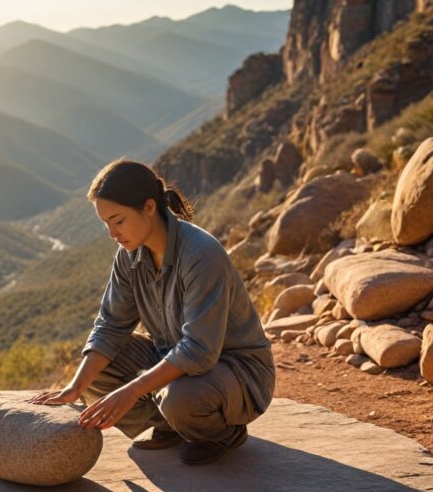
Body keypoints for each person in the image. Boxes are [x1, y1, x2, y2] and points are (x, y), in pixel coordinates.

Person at [29, 158, 275, 465]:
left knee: (180, 398)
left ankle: (222, 433)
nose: (112, 233)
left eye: (118, 221)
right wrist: (74, 387)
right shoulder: (129, 255)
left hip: (236, 373)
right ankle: (167, 426)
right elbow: (110, 326)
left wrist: (131, 392)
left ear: (148, 207)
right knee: (97, 364)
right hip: (172, 360)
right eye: (106, 224)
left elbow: (199, 350)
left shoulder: (201, 255)